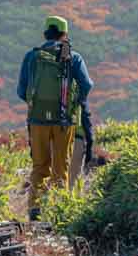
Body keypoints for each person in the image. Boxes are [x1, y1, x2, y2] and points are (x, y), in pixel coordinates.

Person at [17, 15, 94, 222]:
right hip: (64, 120)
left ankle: (35, 210)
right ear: (64, 34)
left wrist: (36, 106)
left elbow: (21, 90)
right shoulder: (73, 58)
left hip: (37, 120)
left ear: (45, 33)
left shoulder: (32, 57)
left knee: (40, 166)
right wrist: (72, 104)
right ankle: (59, 211)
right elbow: (87, 85)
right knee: (61, 167)